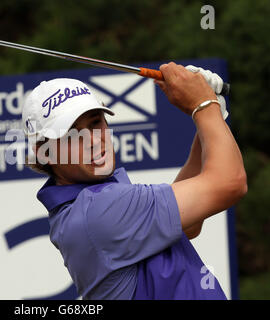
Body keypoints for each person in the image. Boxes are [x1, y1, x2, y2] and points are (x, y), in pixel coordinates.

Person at [21, 62, 247, 300]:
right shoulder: (98, 211)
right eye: (71, 135)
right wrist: (202, 105)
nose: (93, 141)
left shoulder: (88, 204)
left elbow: (188, 224)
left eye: (95, 123)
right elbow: (230, 182)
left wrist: (211, 109)